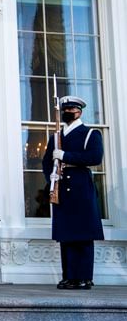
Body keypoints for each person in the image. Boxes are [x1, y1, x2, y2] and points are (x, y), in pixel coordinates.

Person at [42, 96, 104, 290]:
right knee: (66, 235)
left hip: (80, 188)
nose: (67, 112)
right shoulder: (56, 136)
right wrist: (51, 176)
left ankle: (84, 277)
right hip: (62, 187)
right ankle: (69, 276)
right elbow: (46, 161)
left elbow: (95, 157)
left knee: (83, 235)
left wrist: (66, 156)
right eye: (65, 109)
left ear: (79, 112)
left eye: (71, 109)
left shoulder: (90, 134)